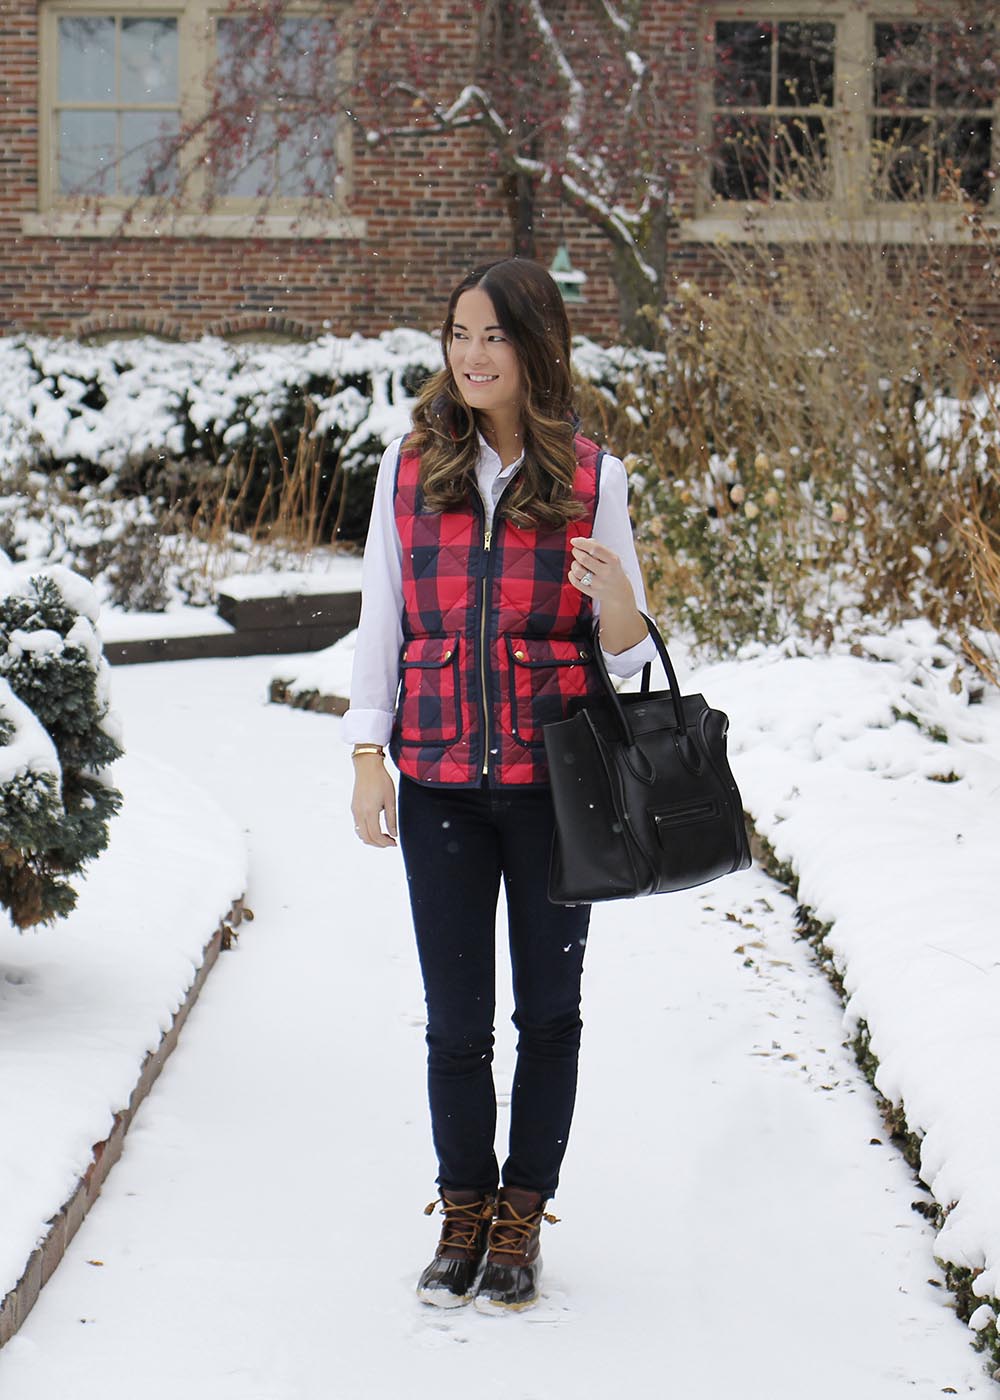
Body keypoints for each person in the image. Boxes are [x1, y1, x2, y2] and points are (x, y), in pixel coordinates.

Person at [343, 257, 655, 1314]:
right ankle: (462, 1204)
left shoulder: (591, 477)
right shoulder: (408, 470)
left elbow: (629, 662)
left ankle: (522, 1210)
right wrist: (365, 757)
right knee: (454, 1020)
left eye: (493, 336)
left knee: (550, 1013)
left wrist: (616, 595)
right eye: (458, 334)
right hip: (438, 781)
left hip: (554, 790)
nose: (471, 356)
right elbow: (382, 620)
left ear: (534, 347)